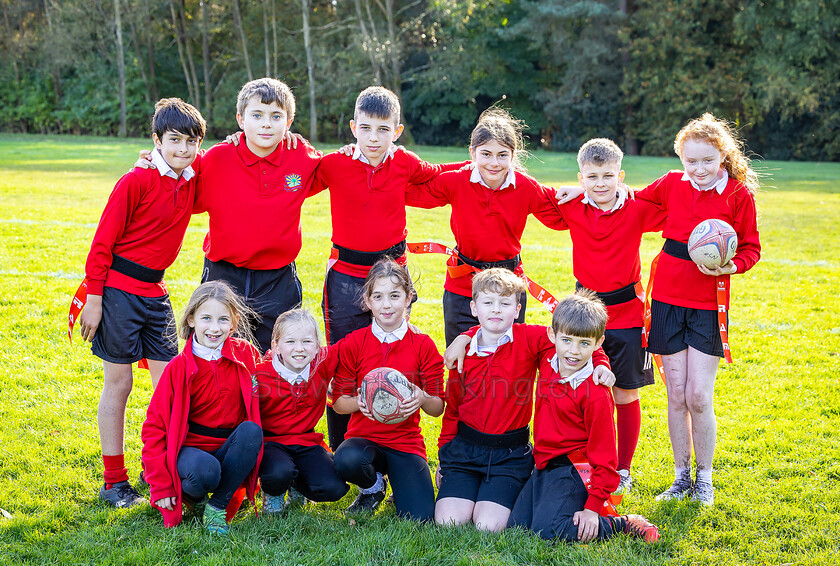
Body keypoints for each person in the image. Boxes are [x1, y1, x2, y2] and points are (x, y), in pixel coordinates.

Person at [310, 86, 468, 456]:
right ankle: (343, 450)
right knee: (343, 360)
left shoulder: (405, 162)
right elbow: (294, 173)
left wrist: (479, 164)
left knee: (395, 353)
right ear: (353, 127)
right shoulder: (335, 163)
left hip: (393, 272)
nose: (373, 138)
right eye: (365, 128)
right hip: (346, 275)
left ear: (397, 131)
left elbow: (439, 173)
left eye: (383, 129)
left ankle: (395, 442)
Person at [79, 98, 206, 508]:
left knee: (170, 386)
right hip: (117, 292)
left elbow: (227, 157)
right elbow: (101, 245)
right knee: (120, 383)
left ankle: (159, 471)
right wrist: (94, 299)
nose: (183, 149)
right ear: (156, 140)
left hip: (157, 293)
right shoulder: (135, 180)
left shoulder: (190, 176)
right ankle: (114, 482)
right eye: (174, 141)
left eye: (191, 142)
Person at [134, 78, 321, 352]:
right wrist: (151, 161)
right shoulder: (216, 159)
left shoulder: (302, 156)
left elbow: (339, 169)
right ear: (240, 119)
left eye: (276, 116)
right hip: (224, 273)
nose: (266, 124)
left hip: (277, 279)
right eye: (256, 115)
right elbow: (174, 172)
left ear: (289, 121)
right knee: (211, 351)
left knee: (276, 354)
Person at [636, 113, 761, 505]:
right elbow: (633, 203)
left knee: (698, 396)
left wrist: (732, 264)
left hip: (708, 303)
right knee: (675, 394)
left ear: (722, 155)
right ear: (681, 158)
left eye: (708, 160)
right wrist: (589, 191)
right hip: (667, 301)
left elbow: (752, 248)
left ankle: (704, 479)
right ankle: (680, 478)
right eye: (691, 161)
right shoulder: (672, 183)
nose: (700, 169)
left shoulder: (738, 194)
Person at [436, 269, 614, 532]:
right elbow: (453, 408)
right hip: (466, 450)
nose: (496, 310)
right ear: (474, 308)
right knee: (448, 522)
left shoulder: (531, 339)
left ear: (517, 309)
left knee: (489, 526)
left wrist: (600, 363)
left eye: (505, 303)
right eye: (488, 303)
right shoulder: (464, 351)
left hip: (509, 454)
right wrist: (444, 457)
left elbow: (578, 340)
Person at [547, 138, 665, 494]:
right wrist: (569, 191)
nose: (600, 184)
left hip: (628, 314)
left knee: (625, 394)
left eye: (608, 176)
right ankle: (583, 461)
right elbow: (537, 197)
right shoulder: (572, 207)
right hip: (584, 313)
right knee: (583, 391)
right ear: (581, 177)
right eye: (592, 176)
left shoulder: (637, 207)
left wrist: (635, 191)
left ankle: (623, 470)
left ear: (621, 175)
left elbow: (671, 206)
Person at [507, 291, 659, 543]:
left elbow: (606, 457)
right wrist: (465, 338)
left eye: (584, 344)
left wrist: (592, 508)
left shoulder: (596, 393)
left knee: (549, 531)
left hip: (575, 467)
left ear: (599, 343)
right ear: (552, 335)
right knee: (516, 527)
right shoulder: (548, 357)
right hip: (545, 464)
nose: (574, 352)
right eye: (566, 340)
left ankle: (621, 523)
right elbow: (508, 330)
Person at [405, 107, 563, 345]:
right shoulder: (457, 180)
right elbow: (409, 191)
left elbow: (563, 213)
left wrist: (607, 192)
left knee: (507, 363)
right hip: (463, 285)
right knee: (461, 361)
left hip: (508, 287)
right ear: (473, 152)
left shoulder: (526, 187)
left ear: (513, 154)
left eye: (502, 155)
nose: (494, 163)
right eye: (486, 154)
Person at [141, 281, 263, 535]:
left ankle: (217, 506)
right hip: (190, 450)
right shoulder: (177, 367)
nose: (214, 328)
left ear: (234, 322)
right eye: (206, 318)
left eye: (222, 319)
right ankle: (193, 498)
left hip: (229, 445)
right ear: (192, 319)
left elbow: (272, 383)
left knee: (252, 431)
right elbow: (154, 427)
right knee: (205, 472)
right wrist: (161, 485)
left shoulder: (246, 355)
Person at [331, 259, 445, 521]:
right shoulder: (355, 343)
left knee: (420, 517)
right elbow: (338, 402)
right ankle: (372, 488)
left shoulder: (423, 345)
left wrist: (421, 397)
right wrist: (360, 402)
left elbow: (437, 408)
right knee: (346, 459)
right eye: (378, 296)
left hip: (404, 443)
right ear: (368, 301)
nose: (386, 304)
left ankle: (401, 483)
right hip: (364, 440)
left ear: (408, 299)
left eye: (395, 296)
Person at [254, 309, 348, 515]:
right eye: (290, 342)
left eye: (306, 342)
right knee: (278, 472)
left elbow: (355, 345)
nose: (299, 349)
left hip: (306, 441)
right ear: (275, 346)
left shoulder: (322, 363)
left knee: (334, 488)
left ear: (317, 347)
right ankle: (273, 493)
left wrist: (401, 327)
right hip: (271, 443)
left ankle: (297, 485)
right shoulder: (259, 373)